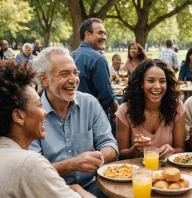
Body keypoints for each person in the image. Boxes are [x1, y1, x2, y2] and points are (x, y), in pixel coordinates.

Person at [29, 47, 118, 197]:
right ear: (44, 79)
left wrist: (97, 157)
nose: (73, 80)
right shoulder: (31, 113)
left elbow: (110, 145)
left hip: (93, 185)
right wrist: (72, 164)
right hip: (49, 190)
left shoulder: (89, 103)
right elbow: (34, 173)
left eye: (75, 73)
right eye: (64, 74)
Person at [0, 62, 94, 197]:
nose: (44, 112)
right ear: (19, 116)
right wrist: (79, 192)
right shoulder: (30, 164)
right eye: (39, 105)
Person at [116, 59, 185, 160]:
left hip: (167, 171)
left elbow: (181, 148)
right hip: (136, 173)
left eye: (162, 81)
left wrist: (173, 151)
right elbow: (121, 154)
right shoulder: (125, 110)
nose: (157, 86)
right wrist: (135, 149)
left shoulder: (177, 107)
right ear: (141, 84)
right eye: (150, 81)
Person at [71, 18, 118, 120]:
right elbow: (107, 97)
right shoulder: (99, 59)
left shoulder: (71, 56)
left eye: (105, 34)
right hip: (94, 118)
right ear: (87, 34)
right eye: (100, 33)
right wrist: (117, 110)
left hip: (72, 115)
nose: (104, 37)